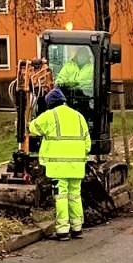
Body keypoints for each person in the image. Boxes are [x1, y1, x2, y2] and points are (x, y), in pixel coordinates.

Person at [28, 86, 91, 240]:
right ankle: (77, 228)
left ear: (50, 103)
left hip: (58, 167)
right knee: (75, 196)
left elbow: (32, 128)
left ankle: (63, 230)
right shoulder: (78, 116)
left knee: (61, 197)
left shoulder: (50, 115)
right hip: (77, 167)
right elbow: (87, 143)